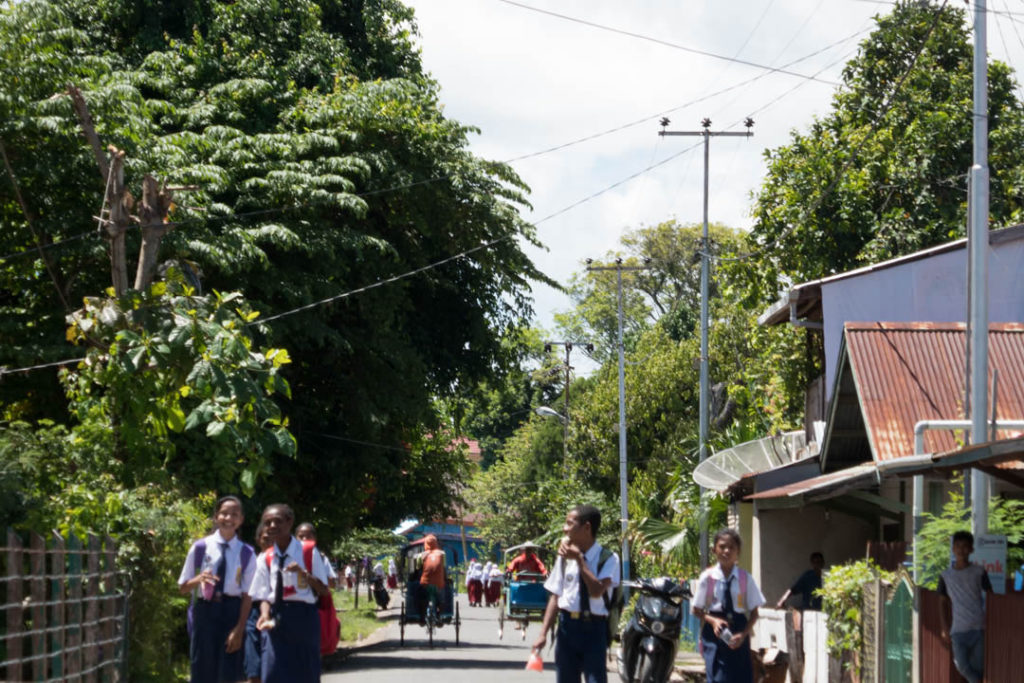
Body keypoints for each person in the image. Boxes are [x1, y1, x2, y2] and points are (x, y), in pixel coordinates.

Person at [533, 504, 620, 683]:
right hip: (567, 628)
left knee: (595, 679)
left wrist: (580, 560)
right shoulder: (564, 558)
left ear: (586, 527)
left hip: (594, 630)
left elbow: (596, 591)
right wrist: (543, 633)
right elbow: (556, 596)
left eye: (569, 524)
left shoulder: (609, 558)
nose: (564, 529)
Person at [248, 504, 330, 683]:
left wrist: (303, 574)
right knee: (273, 672)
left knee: (305, 672)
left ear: (289, 522)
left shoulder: (308, 551)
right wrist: (264, 614)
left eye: (277, 521)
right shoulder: (266, 557)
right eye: (267, 523)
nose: (271, 526)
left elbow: (323, 590)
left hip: (304, 617)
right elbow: (262, 595)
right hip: (276, 618)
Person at [178, 495, 255, 683]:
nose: (229, 519)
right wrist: (199, 579)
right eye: (224, 514)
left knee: (229, 671)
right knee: (202, 667)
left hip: (232, 611)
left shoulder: (247, 553)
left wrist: (239, 628)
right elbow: (183, 588)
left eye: (234, 514)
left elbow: (248, 595)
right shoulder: (200, 548)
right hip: (205, 611)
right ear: (216, 517)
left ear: (241, 520)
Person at [692, 528, 765, 683]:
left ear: (738, 551)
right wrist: (713, 621)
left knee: (740, 677)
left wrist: (744, 634)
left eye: (731, 547)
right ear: (714, 550)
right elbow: (696, 610)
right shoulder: (708, 578)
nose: (726, 551)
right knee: (717, 676)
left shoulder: (745, 578)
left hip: (738, 629)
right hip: (714, 634)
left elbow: (754, 613)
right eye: (722, 546)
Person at [938, 530, 993, 683]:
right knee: (962, 666)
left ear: (971, 549)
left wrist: (990, 620)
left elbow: (990, 595)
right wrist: (944, 627)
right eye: (958, 546)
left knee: (978, 668)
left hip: (978, 627)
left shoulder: (979, 571)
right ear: (953, 549)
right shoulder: (945, 576)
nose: (961, 550)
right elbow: (942, 601)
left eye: (965, 546)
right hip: (958, 630)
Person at [244, 523, 274, 683]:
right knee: (253, 664)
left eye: (272, 537)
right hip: (255, 611)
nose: (269, 540)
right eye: (265, 537)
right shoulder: (253, 561)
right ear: (258, 540)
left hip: (273, 610)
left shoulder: (280, 560)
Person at [295, 522, 338, 589]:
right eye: (301, 536)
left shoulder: (322, 558)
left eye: (308, 536)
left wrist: (321, 573)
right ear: (295, 539)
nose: (304, 539)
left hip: (315, 597)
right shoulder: (290, 556)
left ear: (314, 538)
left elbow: (332, 584)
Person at [418, 535, 447, 621]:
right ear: (436, 543)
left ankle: (422, 616)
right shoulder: (442, 554)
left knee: (421, 597)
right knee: (441, 599)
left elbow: (418, 568)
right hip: (439, 583)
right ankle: (440, 615)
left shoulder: (422, 555)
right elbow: (444, 568)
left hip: (425, 583)